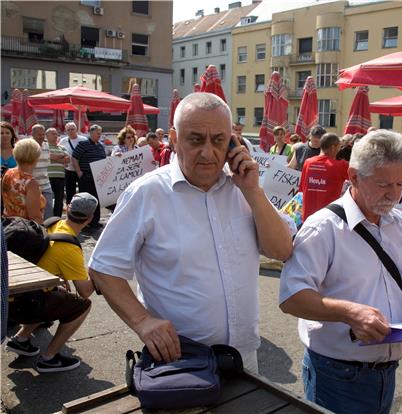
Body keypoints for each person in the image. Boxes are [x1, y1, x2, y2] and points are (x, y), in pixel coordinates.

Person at [88, 93, 293, 372]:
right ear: (173, 138)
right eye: (195, 139)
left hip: (243, 358)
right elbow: (103, 267)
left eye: (219, 140)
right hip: (179, 363)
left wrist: (253, 191)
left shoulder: (244, 189)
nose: (208, 152)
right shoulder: (147, 193)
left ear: (233, 141)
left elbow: (281, 251)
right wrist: (142, 321)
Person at [279, 130, 402, 414]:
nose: (394, 194)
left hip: (386, 371)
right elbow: (291, 296)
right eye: (383, 184)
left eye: (400, 183)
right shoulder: (323, 228)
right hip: (337, 374)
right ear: (354, 175)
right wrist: (350, 313)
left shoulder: (400, 223)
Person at [5, 193, 98, 373]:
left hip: (12, 298)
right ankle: (49, 358)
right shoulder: (70, 248)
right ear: (91, 217)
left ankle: (21, 339)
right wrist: (97, 272)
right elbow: (85, 292)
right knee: (83, 306)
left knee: (54, 292)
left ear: (68, 208)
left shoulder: (52, 223)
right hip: (25, 305)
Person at [299, 133, 349, 221]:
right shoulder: (341, 165)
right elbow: (361, 178)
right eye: (339, 147)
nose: (339, 150)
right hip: (329, 219)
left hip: (308, 218)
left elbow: (302, 188)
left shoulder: (308, 162)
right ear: (333, 147)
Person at [2, 138, 45, 223]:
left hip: (7, 225)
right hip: (24, 230)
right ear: (36, 156)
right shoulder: (30, 183)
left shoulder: (8, 173)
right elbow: (35, 217)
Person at [72, 124, 106, 229]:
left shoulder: (101, 146)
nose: (99, 135)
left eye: (100, 133)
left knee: (96, 199)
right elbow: (74, 158)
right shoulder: (83, 144)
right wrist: (79, 172)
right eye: (97, 133)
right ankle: (84, 222)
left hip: (98, 177)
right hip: (86, 176)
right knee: (85, 200)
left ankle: (95, 221)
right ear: (91, 133)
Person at [59, 122, 87, 204]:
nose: (70, 131)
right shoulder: (62, 141)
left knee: (83, 192)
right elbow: (60, 153)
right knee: (69, 192)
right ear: (66, 131)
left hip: (82, 170)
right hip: (69, 170)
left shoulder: (84, 140)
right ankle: (70, 211)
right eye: (68, 130)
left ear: (76, 130)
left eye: (72, 129)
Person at [30, 124, 54, 220]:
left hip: (45, 183)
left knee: (48, 207)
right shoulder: (28, 145)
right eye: (39, 134)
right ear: (33, 134)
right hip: (32, 184)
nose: (41, 137)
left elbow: (47, 162)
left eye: (43, 134)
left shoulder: (46, 145)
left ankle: (48, 229)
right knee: (33, 209)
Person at [46, 128, 69, 217]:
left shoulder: (62, 147)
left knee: (59, 200)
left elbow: (68, 159)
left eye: (56, 134)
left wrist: (55, 158)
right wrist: (61, 156)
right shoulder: (45, 146)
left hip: (60, 176)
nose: (55, 136)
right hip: (48, 177)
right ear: (47, 136)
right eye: (53, 134)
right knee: (48, 200)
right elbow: (49, 156)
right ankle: (48, 218)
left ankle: (57, 219)